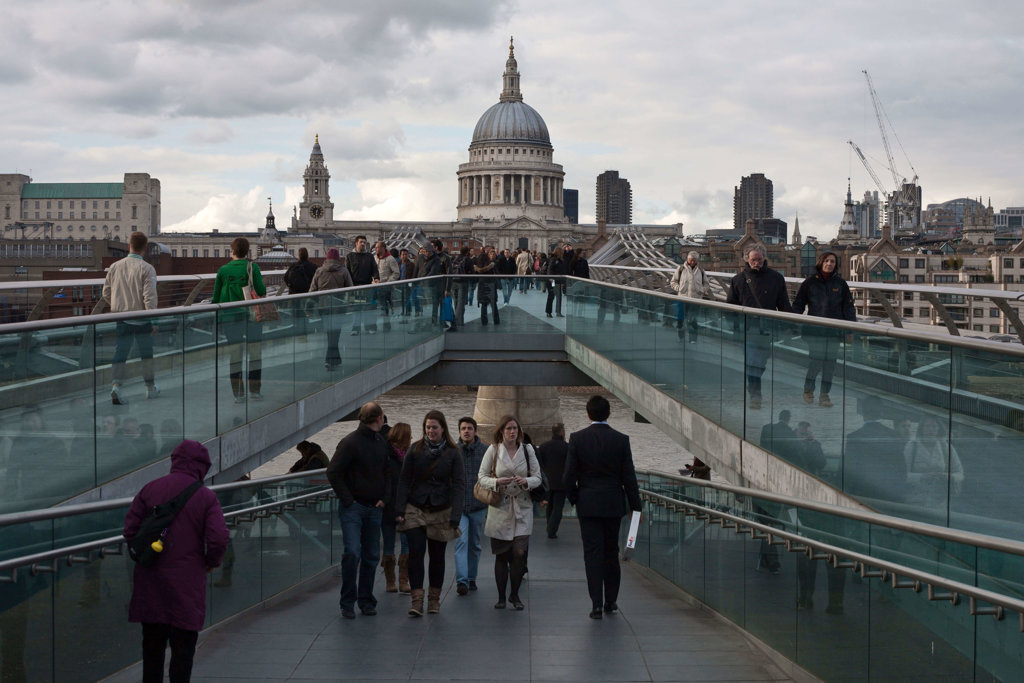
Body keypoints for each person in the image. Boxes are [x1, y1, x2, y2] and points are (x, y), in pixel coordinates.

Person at [123, 440, 228, 683]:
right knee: (183, 649)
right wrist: (211, 562)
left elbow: (130, 531)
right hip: (186, 583)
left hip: (150, 580)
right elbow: (218, 539)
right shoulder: (205, 497)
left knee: (152, 648)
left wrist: (147, 553)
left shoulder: (149, 489)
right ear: (202, 466)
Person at [563, 395, 641, 619]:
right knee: (610, 552)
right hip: (613, 504)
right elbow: (629, 478)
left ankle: (596, 604)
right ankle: (611, 600)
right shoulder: (621, 440)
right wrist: (636, 508)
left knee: (592, 554)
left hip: (588, 504)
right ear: (609, 413)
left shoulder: (577, 439)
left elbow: (568, 476)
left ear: (588, 414)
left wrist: (576, 498)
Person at [395, 410, 465, 616]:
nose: (431, 431)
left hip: (441, 509)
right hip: (415, 507)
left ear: (443, 428)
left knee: (437, 556)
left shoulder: (453, 453)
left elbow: (460, 484)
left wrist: (456, 514)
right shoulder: (415, 450)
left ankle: (434, 600)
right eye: (427, 427)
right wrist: (399, 509)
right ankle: (416, 601)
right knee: (415, 552)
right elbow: (404, 479)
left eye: (434, 427)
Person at [326, 402, 392, 619]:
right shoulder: (351, 443)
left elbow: (386, 473)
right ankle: (350, 601)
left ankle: (363, 601)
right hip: (355, 508)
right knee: (354, 553)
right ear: (380, 418)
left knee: (369, 555)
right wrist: (349, 501)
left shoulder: (378, 442)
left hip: (372, 507)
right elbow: (334, 472)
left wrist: (383, 498)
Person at [476, 414, 541, 610]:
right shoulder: (493, 450)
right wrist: (497, 482)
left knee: (519, 553)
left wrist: (527, 482)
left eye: (515, 428)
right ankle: (501, 597)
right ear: (501, 431)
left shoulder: (528, 451)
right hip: (500, 508)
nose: (512, 432)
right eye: (508, 429)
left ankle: (514, 594)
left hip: (522, 507)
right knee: (502, 556)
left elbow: (538, 477)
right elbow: (481, 477)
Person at [725, 244, 793, 410]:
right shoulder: (738, 280)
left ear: (764, 259)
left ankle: (753, 388)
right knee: (752, 363)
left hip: (767, 330)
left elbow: (783, 304)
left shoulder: (776, 278)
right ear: (747, 260)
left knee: (760, 364)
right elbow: (730, 307)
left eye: (759, 259)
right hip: (747, 330)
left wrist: (790, 327)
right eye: (753, 260)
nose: (757, 263)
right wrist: (735, 329)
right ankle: (755, 395)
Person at [791, 251, 856, 407]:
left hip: (834, 332)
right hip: (815, 331)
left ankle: (824, 395)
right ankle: (808, 390)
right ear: (821, 263)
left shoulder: (840, 284)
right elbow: (799, 303)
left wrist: (850, 330)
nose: (829, 264)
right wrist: (792, 322)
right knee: (816, 361)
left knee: (830, 364)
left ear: (836, 265)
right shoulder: (810, 283)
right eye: (826, 261)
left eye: (832, 261)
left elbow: (848, 307)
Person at [103, 231, 159, 405]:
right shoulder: (147, 269)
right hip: (142, 319)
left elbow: (106, 293)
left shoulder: (115, 266)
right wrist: (154, 321)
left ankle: (116, 386)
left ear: (129, 246)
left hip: (122, 318)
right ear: (144, 248)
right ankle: (150, 388)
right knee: (146, 355)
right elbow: (149, 297)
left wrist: (117, 305)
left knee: (120, 353)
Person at [212, 237, 265, 403]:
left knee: (235, 356)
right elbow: (262, 290)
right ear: (247, 252)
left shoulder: (223, 270)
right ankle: (255, 392)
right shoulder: (252, 267)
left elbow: (215, 298)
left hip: (229, 318)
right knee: (255, 354)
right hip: (251, 317)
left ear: (232, 251)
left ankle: (238, 394)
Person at [844, 399, 907, 504]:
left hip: (863, 496)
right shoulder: (894, 435)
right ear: (881, 413)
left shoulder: (854, 437)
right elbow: (901, 469)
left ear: (863, 414)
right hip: (888, 495)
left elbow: (848, 470)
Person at [454, 416, 488, 596]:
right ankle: (462, 580)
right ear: (459, 432)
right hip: (459, 507)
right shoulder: (453, 451)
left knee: (474, 543)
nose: (466, 431)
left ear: (475, 431)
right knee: (461, 541)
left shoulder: (486, 451)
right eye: (463, 428)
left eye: (469, 428)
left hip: (478, 505)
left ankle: (472, 577)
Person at [904, 416, 964, 508]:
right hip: (915, 501)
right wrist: (922, 477)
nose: (931, 429)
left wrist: (949, 477)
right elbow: (902, 475)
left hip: (940, 502)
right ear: (922, 429)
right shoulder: (912, 447)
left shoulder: (946, 447)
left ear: (938, 429)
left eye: (934, 426)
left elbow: (960, 474)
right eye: (927, 426)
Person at [309, 248, 353, 371]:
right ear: (338, 258)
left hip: (323, 307)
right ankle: (331, 360)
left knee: (329, 333)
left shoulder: (319, 271)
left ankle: (332, 360)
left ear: (327, 258)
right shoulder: (344, 271)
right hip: (339, 307)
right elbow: (351, 288)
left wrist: (309, 306)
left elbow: (312, 290)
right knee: (335, 334)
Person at [382, 422, 412, 593]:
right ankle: (390, 581)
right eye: (409, 435)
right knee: (388, 544)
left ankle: (403, 580)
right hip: (389, 506)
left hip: (406, 507)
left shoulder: (410, 455)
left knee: (406, 545)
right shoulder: (386, 456)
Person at [670, 251, 711, 343]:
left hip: (695, 300)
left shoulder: (701, 270)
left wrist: (702, 290)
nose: (692, 262)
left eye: (694, 260)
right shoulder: (680, 269)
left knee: (693, 320)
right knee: (680, 320)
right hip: (682, 299)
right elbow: (673, 282)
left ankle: (693, 339)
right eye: (691, 260)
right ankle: (681, 338)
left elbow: (706, 284)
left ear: (697, 260)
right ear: (687, 259)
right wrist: (678, 288)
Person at [537, 423, 569, 539]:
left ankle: (549, 526)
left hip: (547, 482)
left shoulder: (544, 447)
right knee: (558, 508)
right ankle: (552, 530)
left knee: (549, 506)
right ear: (562, 432)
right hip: (561, 483)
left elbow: (539, 465)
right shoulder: (567, 447)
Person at [346, 235, 380, 335]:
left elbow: (374, 269)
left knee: (368, 308)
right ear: (356, 243)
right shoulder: (349, 256)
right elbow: (347, 272)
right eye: (361, 242)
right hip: (354, 287)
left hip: (367, 286)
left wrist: (376, 278)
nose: (363, 244)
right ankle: (355, 329)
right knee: (356, 309)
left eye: (364, 242)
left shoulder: (369, 256)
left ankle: (369, 327)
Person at [283, 247, 318, 335]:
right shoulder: (313, 267)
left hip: (294, 295)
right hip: (308, 295)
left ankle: (298, 333)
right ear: (307, 255)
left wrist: (291, 288)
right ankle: (306, 332)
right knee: (307, 314)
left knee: (296, 314)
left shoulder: (293, 266)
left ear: (298, 255)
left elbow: (285, 278)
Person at [374, 240, 401, 332]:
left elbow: (396, 273)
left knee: (384, 307)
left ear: (383, 248)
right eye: (375, 247)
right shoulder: (375, 258)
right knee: (375, 307)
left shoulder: (390, 259)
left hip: (385, 287)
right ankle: (373, 327)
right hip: (374, 286)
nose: (376, 249)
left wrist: (388, 282)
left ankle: (386, 326)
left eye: (378, 247)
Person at [475, 248, 500, 326]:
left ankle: (484, 321)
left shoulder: (478, 266)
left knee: (484, 304)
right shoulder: (492, 264)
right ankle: (496, 321)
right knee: (493, 304)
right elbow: (497, 273)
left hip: (482, 284)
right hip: (491, 284)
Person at [545, 246, 567, 318]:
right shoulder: (553, 259)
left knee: (559, 297)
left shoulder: (561, 260)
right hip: (553, 280)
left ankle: (558, 312)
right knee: (551, 296)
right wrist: (550, 278)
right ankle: (549, 312)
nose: (563, 253)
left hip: (559, 280)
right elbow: (550, 269)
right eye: (562, 252)